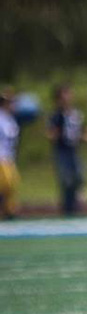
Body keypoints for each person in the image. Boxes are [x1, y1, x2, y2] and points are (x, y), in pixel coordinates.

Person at [47, 84, 87, 216]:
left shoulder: (75, 113)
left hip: (74, 150)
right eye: (64, 95)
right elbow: (52, 133)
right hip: (63, 151)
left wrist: (85, 136)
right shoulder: (56, 115)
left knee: (79, 175)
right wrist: (56, 135)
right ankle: (68, 208)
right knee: (67, 179)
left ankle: (76, 203)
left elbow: (80, 130)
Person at [0, 91, 20, 219]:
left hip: (9, 157)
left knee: (12, 183)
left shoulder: (10, 119)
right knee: (4, 184)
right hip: (1, 156)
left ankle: (9, 211)